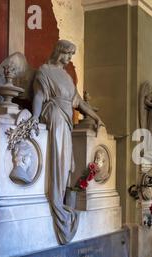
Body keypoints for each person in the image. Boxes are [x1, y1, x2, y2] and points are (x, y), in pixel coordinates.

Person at [31, 40, 104, 245]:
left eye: (72, 56)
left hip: (65, 119)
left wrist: (96, 117)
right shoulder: (44, 71)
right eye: (67, 55)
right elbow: (38, 95)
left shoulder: (66, 77)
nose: (69, 59)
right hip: (54, 114)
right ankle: (56, 200)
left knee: (65, 165)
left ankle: (61, 197)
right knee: (60, 160)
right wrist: (35, 119)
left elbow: (78, 102)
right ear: (59, 52)